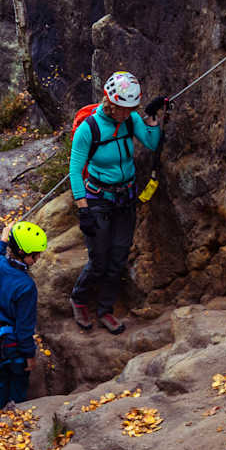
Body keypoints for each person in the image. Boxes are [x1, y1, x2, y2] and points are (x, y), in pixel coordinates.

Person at [69, 71, 167, 334]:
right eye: (121, 109)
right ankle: (79, 299)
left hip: (125, 198)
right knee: (99, 258)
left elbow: (151, 142)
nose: (126, 114)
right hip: (98, 199)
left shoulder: (131, 118)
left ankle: (105, 309)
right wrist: (83, 210)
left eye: (130, 109)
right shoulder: (89, 129)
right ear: (109, 102)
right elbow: (75, 171)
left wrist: (151, 118)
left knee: (119, 256)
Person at [0, 221, 48, 409]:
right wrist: (30, 354)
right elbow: (24, 327)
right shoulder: (26, 286)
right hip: (13, 342)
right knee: (19, 378)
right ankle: (16, 413)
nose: (37, 258)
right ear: (22, 253)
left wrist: (3, 241)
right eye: (35, 255)